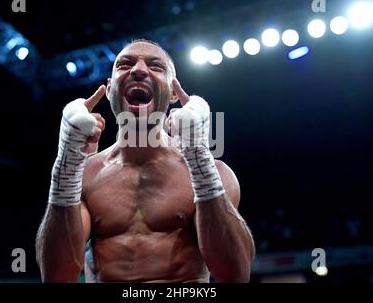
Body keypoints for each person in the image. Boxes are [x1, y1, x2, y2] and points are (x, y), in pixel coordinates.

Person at [35, 39, 255, 283]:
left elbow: (235, 275)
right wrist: (66, 164)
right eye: (125, 64)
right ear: (109, 91)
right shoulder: (84, 174)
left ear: (173, 93)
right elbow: (57, 277)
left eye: (156, 66)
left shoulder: (215, 172)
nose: (138, 70)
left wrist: (199, 158)